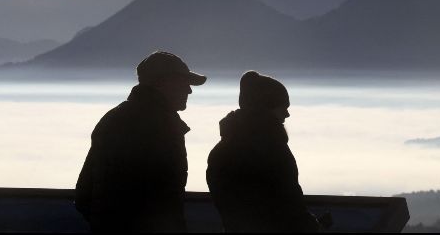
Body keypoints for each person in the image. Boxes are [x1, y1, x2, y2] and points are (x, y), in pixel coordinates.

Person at [74, 51, 207, 233]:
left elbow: (84, 195)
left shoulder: (112, 119)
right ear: (163, 83)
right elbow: (164, 199)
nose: (189, 90)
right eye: (183, 82)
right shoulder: (163, 127)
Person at [206, 71, 320, 232]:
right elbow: (289, 203)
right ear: (266, 108)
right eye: (283, 107)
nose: (287, 114)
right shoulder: (272, 151)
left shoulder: (220, 151)